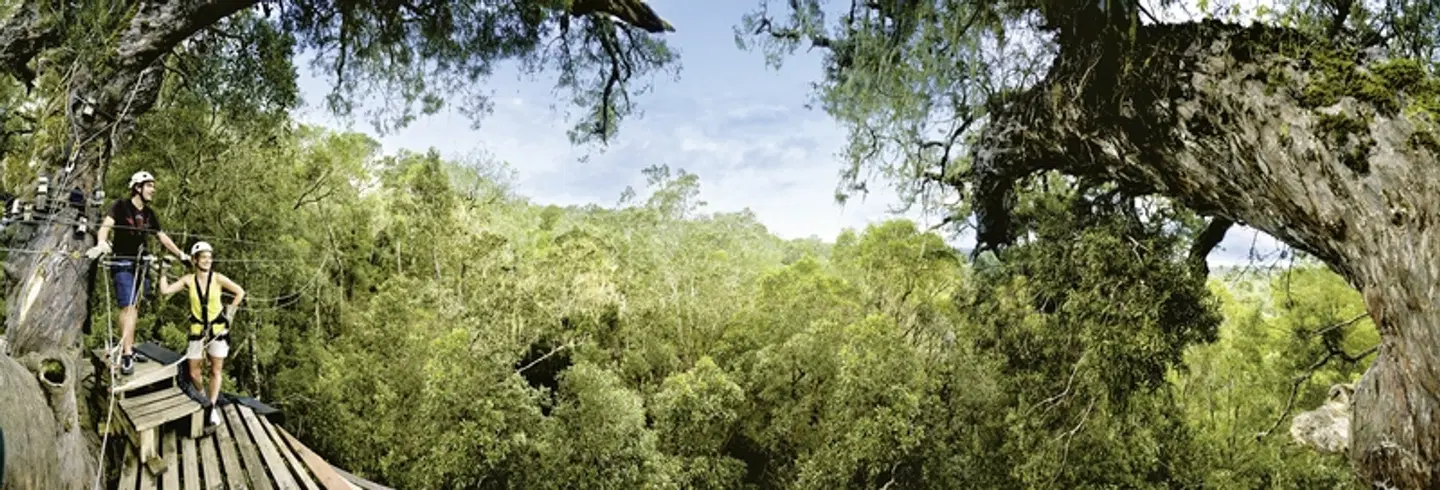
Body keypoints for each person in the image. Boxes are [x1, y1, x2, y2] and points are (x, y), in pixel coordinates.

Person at [85, 171, 188, 375]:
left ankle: (127, 347)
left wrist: (180, 254)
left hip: (141, 264)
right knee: (128, 307)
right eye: (149, 186)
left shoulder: (150, 214)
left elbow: (162, 237)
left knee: (135, 308)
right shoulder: (121, 206)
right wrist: (102, 242)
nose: (153, 190)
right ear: (138, 188)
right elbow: (105, 227)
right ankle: (126, 353)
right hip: (122, 262)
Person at [158, 241, 244, 427]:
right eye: (203, 257)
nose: (207, 261)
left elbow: (239, 292)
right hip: (197, 330)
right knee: (194, 371)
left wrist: (230, 313)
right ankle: (203, 398)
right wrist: (163, 272)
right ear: (195, 260)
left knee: (215, 369)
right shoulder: (188, 280)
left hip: (218, 329)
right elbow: (165, 291)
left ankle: (211, 406)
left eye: (209, 257)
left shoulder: (218, 278)